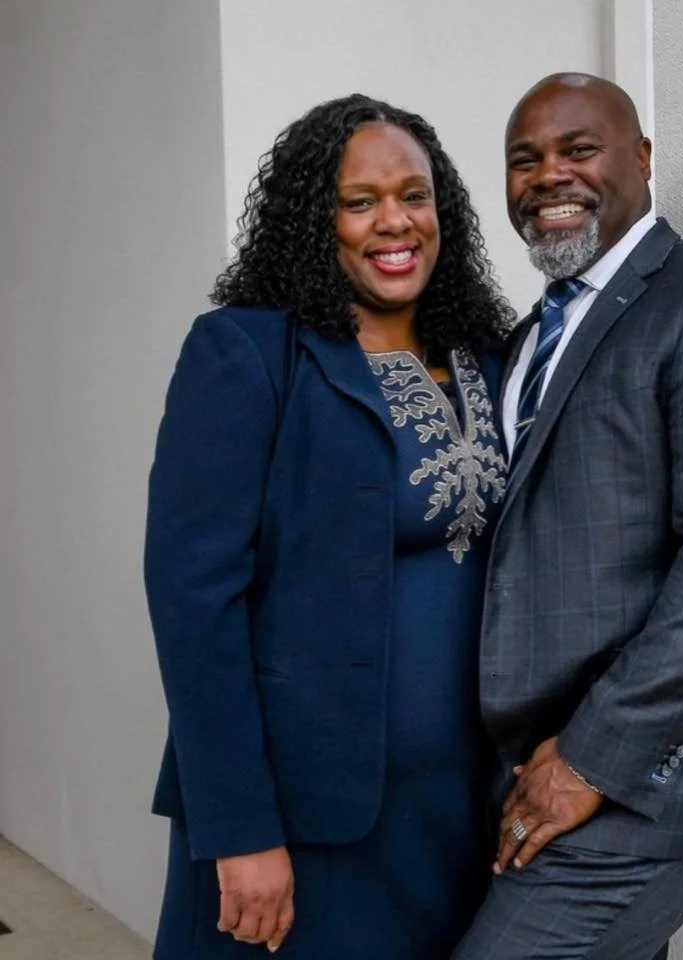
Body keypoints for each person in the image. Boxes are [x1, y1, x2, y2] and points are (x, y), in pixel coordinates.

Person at [453, 73, 683, 960]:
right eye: (524, 159)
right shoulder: (526, 340)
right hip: (538, 760)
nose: (550, 175)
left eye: (578, 149)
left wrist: (594, 756)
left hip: (649, 770)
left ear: (643, 160)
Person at [144, 94, 513, 959]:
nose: (396, 221)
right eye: (360, 201)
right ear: (317, 219)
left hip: (461, 812)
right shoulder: (248, 354)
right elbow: (194, 603)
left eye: (415, 195)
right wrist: (239, 829)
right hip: (306, 819)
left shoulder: (491, 358)